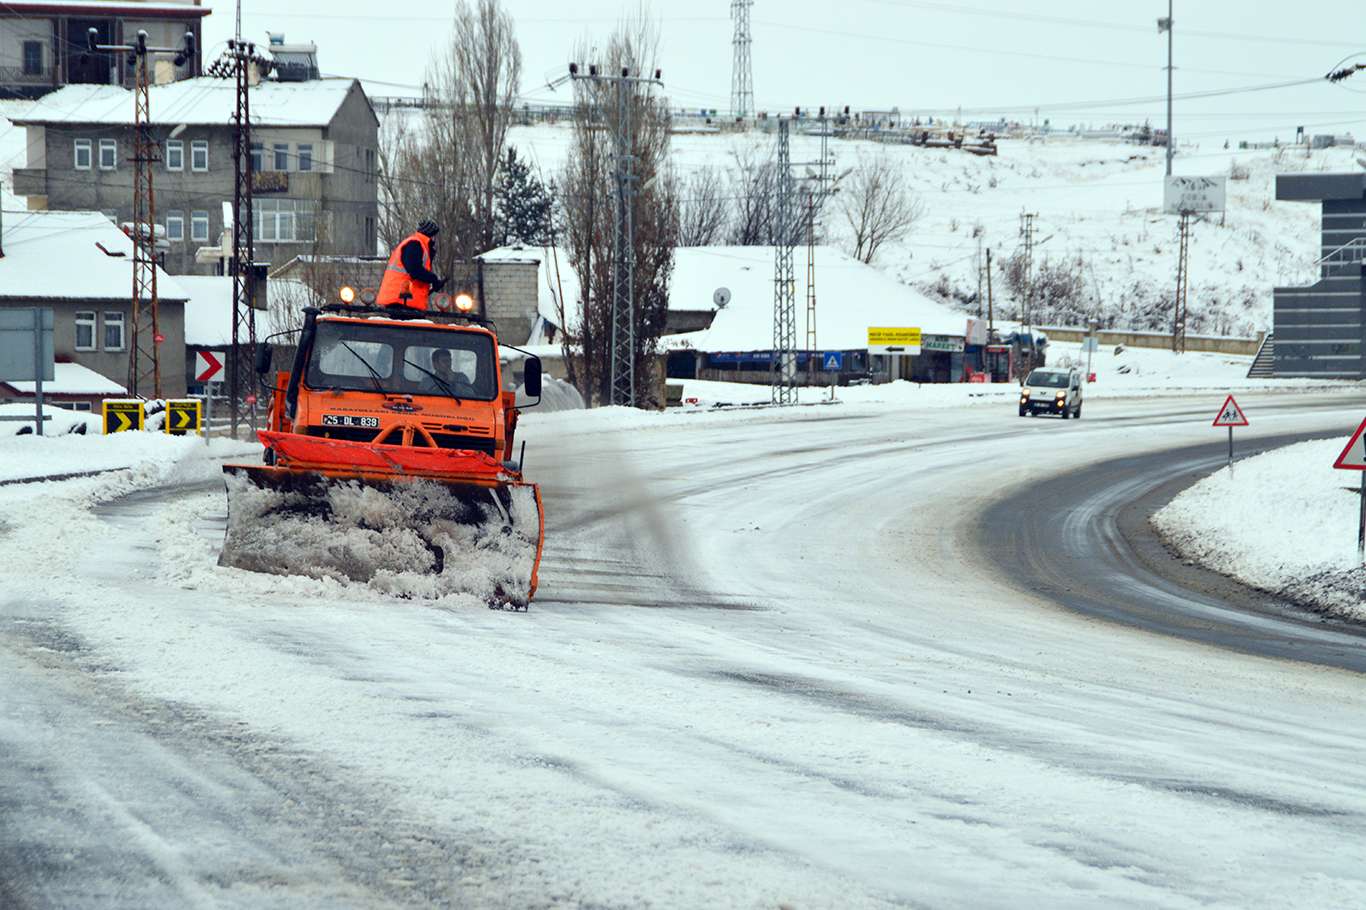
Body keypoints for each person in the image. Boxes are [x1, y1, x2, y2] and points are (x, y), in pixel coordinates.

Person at [377, 219, 446, 310]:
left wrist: (433, 281)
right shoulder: (415, 244)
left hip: (403, 300)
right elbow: (415, 270)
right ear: (431, 234)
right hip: (403, 300)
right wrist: (433, 279)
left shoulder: (416, 244)